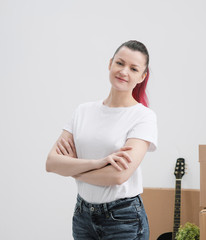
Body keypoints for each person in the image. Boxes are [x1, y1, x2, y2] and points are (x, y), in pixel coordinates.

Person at [46, 40, 157, 240]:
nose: (124, 72)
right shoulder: (83, 111)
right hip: (82, 216)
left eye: (133, 68)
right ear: (110, 64)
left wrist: (72, 169)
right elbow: (52, 163)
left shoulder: (143, 117)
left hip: (123, 218)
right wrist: (97, 163)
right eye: (120, 63)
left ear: (142, 76)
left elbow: (118, 176)